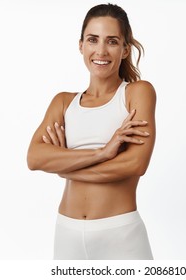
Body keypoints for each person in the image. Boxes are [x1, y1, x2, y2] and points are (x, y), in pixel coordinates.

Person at [27, 3, 156, 260]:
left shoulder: (136, 93)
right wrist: (102, 153)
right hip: (67, 233)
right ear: (81, 45)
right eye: (92, 39)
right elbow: (34, 158)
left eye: (112, 41)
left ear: (125, 49)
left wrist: (64, 167)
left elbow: (135, 164)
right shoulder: (63, 102)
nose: (101, 50)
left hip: (120, 234)